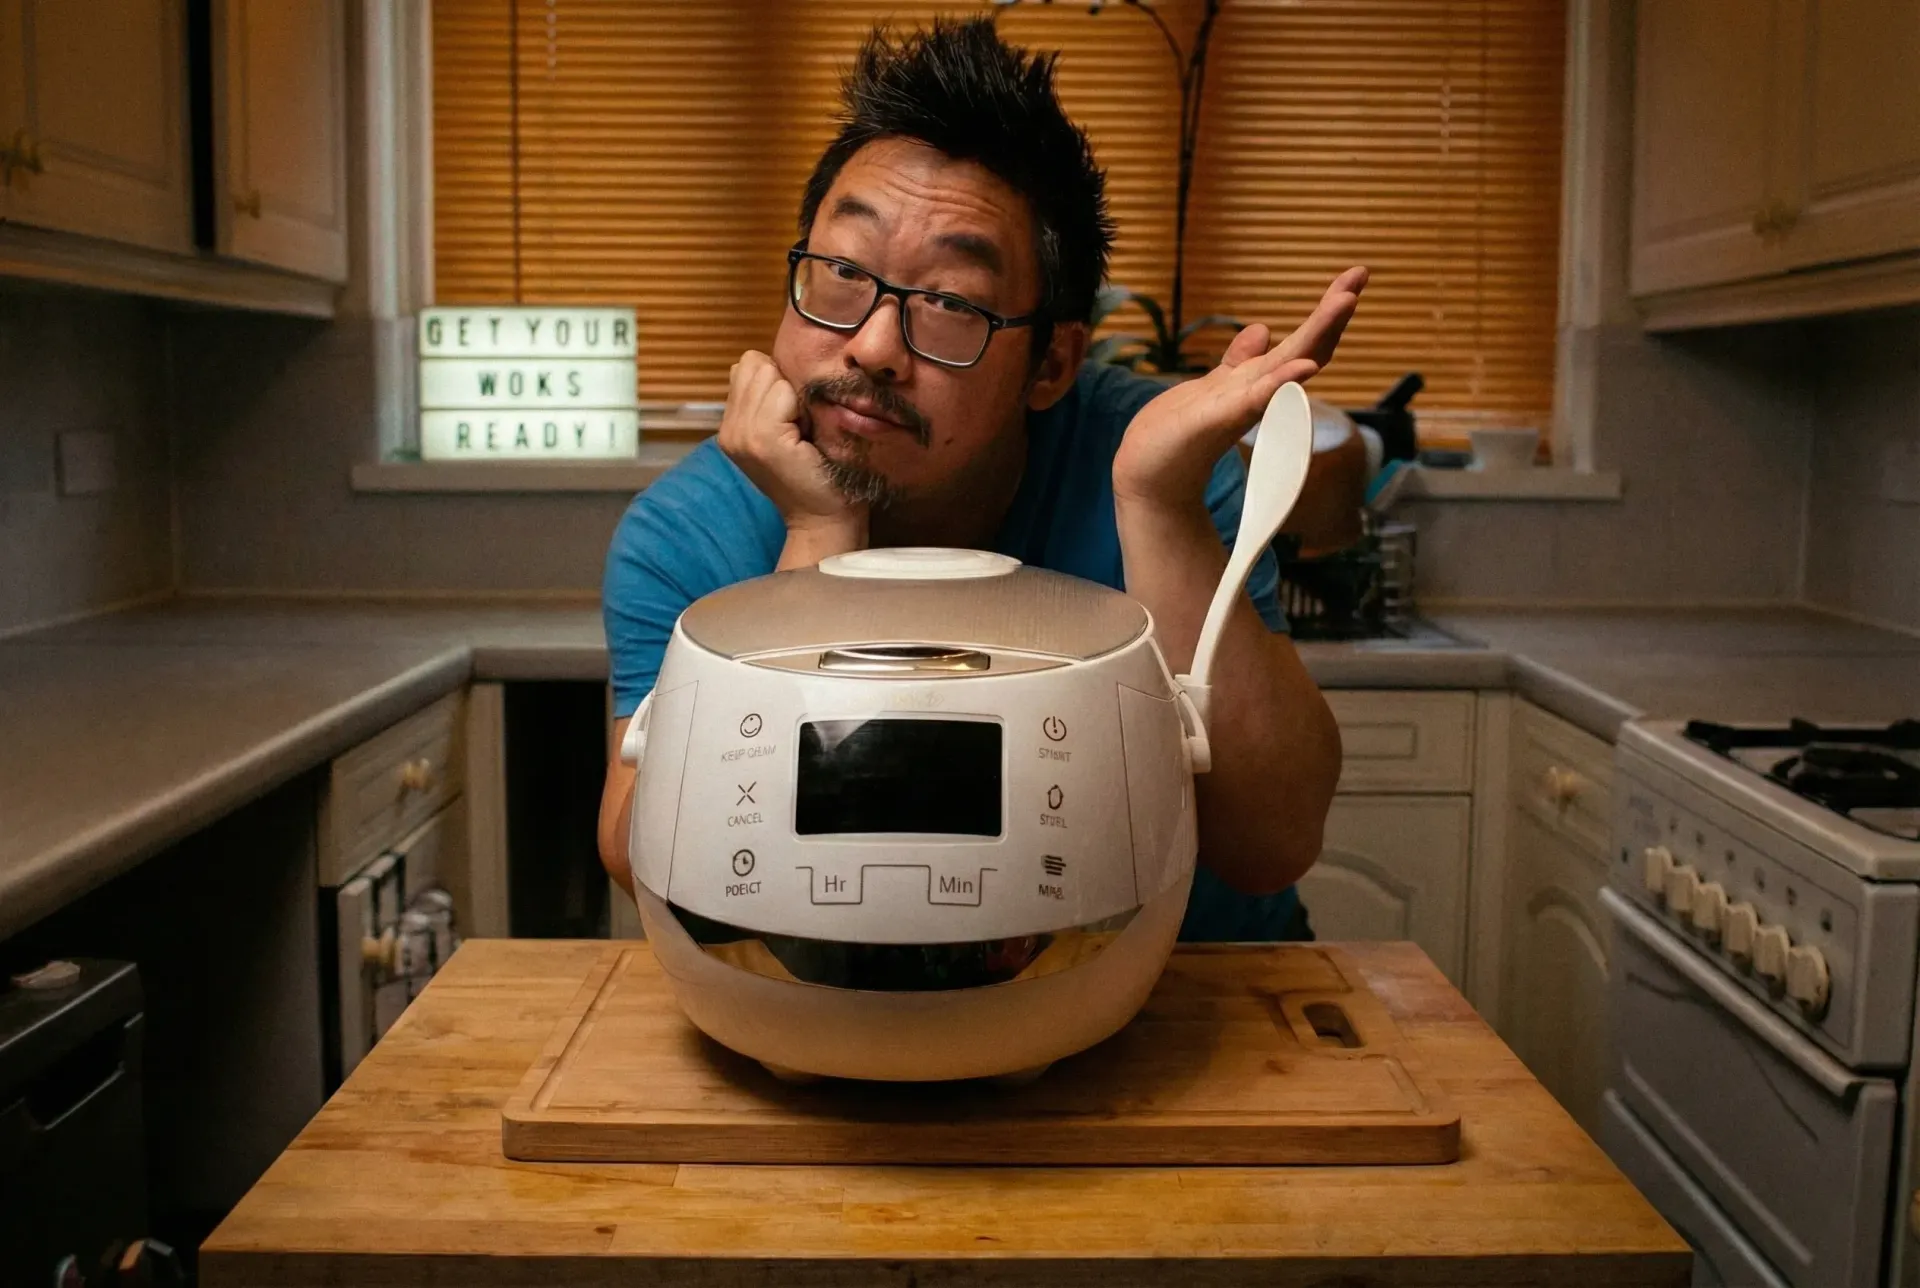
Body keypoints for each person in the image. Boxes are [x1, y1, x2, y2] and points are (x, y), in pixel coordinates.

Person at [596, 15, 1365, 941]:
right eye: (841, 272)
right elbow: (666, 873)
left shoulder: (1155, 467)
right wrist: (821, 537)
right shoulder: (688, 532)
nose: (874, 347)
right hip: (827, 1016)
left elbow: (1269, 843)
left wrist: (1160, 510)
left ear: (1051, 364)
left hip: (1194, 1003)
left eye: (952, 306)